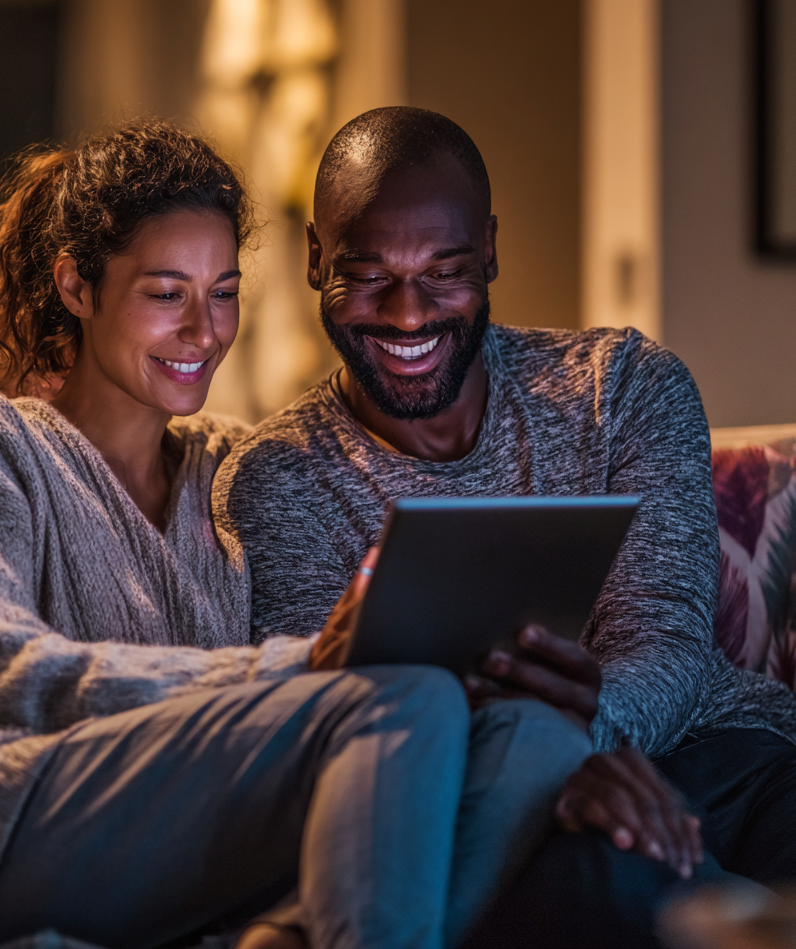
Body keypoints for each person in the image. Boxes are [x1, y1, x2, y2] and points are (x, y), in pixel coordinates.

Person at [0, 121, 596, 949]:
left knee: (536, 734)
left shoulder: (234, 468)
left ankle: (289, 935)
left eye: (222, 292)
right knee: (400, 701)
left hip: (174, 836)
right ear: (78, 286)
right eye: (165, 294)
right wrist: (305, 664)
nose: (204, 331)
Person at [213, 106, 796, 942]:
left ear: (489, 249)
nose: (408, 315)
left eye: (444, 271)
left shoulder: (624, 387)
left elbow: (665, 644)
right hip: (494, 805)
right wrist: (549, 770)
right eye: (368, 274)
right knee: (604, 890)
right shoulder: (275, 482)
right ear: (315, 260)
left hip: (725, 757)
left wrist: (587, 739)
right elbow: (344, 736)